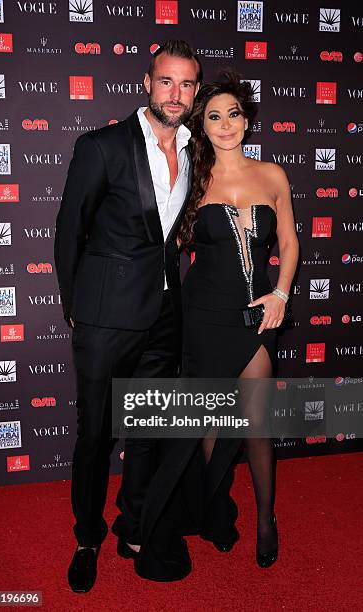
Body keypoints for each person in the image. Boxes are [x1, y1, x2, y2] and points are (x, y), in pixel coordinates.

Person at [54, 40, 201, 590]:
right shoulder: (102, 146)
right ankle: (87, 536)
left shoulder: (193, 150)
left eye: (187, 84)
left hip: (165, 316)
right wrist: (77, 309)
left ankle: (133, 523)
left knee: (145, 433)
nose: (177, 94)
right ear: (148, 81)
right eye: (167, 81)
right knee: (96, 434)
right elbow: (70, 232)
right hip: (106, 318)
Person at [176, 72, 299, 567]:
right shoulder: (191, 178)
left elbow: (288, 242)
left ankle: (266, 520)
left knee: (257, 424)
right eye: (213, 116)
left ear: (246, 121)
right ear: (202, 126)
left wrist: (281, 295)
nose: (225, 124)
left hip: (256, 318)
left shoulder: (273, 175)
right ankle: (217, 509)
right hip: (202, 314)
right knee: (209, 424)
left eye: (233, 114)